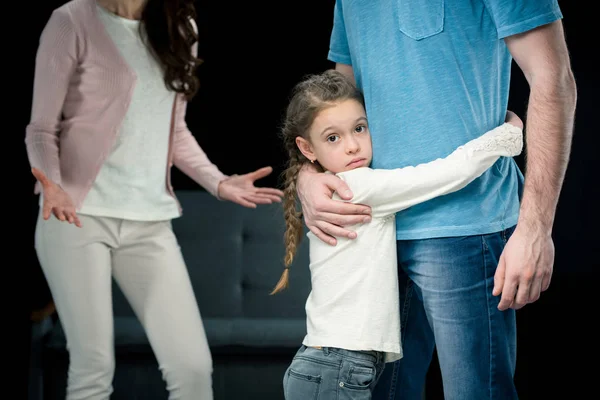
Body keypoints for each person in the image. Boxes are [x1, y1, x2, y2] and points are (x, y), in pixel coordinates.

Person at [296, 1, 577, 399]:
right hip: (369, 231)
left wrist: (536, 227)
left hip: (466, 229)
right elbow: (338, 97)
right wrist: (307, 174)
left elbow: (554, 79)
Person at [25, 0, 283, 399]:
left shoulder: (181, 27)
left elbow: (174, 131)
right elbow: (41, 129)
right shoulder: (71, 20)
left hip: (148, 222)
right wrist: (54, 184)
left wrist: (218, 182)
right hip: (75, 216)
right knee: (92, 369)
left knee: (192, 368)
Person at [271, 70, 523, 400]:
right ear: (307, 148)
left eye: (360, 129)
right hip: (336, 368)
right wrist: (508, 133)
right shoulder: (357, 187)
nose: (352, 146)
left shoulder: (338, 184)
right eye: (333, 138)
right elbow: (445, 174)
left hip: (329, 365)